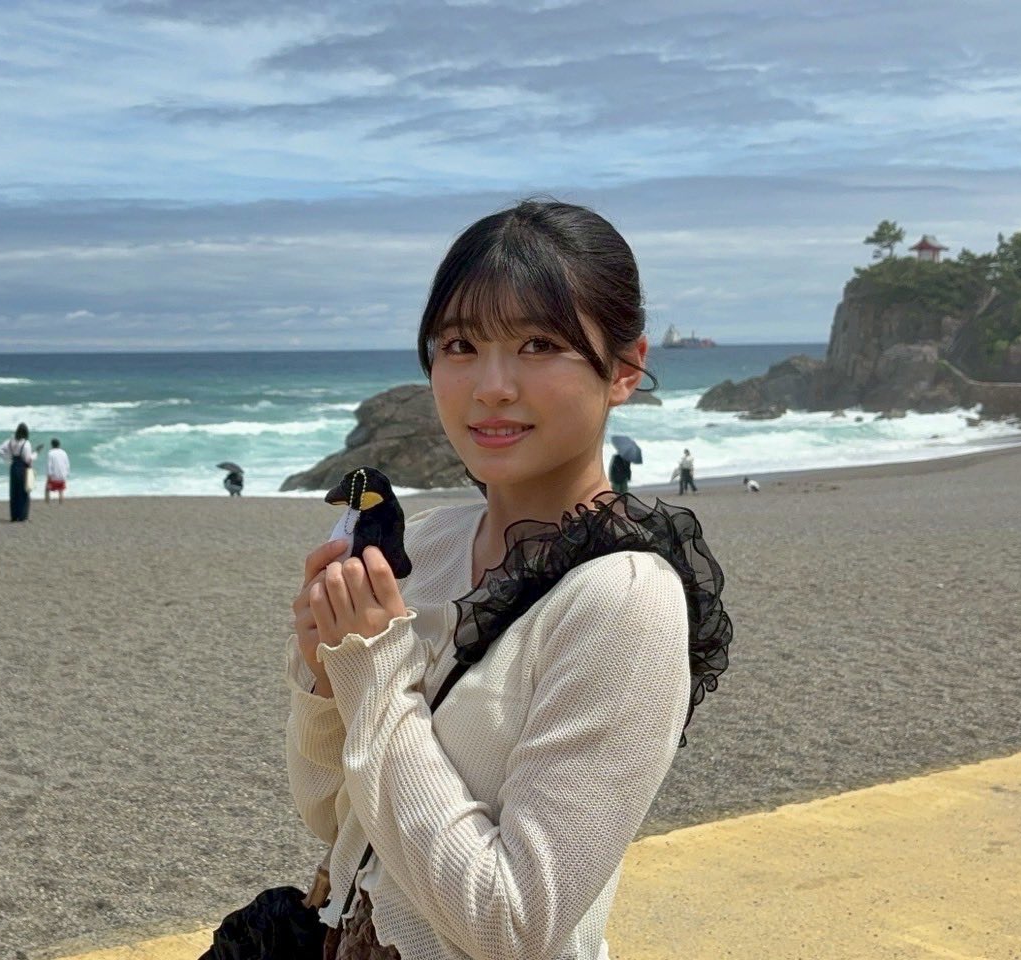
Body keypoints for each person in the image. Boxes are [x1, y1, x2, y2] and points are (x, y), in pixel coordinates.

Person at [285, 200, 730, 960]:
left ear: (625, 369)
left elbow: (514, 925)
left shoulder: (623, 600)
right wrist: (326, 678)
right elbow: (339, 822)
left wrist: (376, 670)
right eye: (460, 345)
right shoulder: (428, 546)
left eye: (539, 344)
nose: (491, 386)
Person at [0, 423, 37, 522]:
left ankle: (14, 516)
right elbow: (27, 459)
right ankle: (22, 517)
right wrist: (35, 454)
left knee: (14, 492)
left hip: (13, 466)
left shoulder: (10, 441)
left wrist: (8, 458)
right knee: (23, 492)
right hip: (23, 468)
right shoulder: (26, 443)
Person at [45, 438, 71, 505]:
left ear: (52, 445)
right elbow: (67, 464)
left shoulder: (50, 453)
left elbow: (49, 465)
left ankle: (48, 503)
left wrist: (49, 476)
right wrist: (67, 474)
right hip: (62, 475)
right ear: (59, 445)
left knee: (47, 489)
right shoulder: (64, 452)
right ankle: (61, 504)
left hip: (54, 476)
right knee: (61, 490)